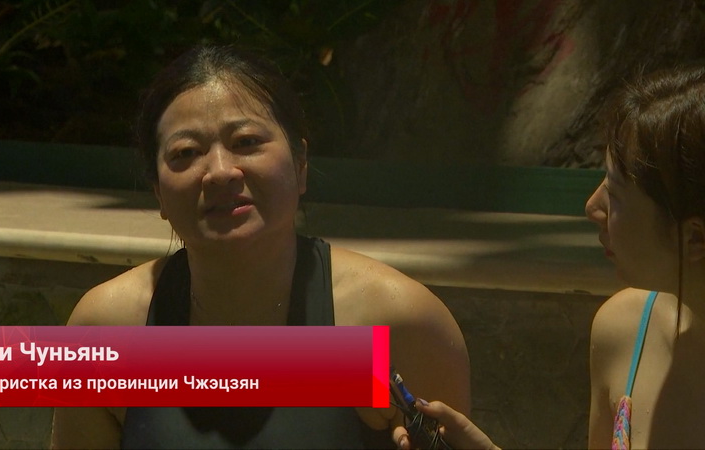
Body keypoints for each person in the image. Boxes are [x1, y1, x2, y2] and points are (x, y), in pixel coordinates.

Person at [50, 44, 470, 449]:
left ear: (300, 164)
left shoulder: (397, 323)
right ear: (158, 192)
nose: (220, 172)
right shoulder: (106, 329)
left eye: (247, 142)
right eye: (186, 152)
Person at [397, 63, 705, 449]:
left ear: (694, 237)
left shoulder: (380, 306)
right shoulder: (624, 332)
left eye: (615, 193)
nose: (592, 207)